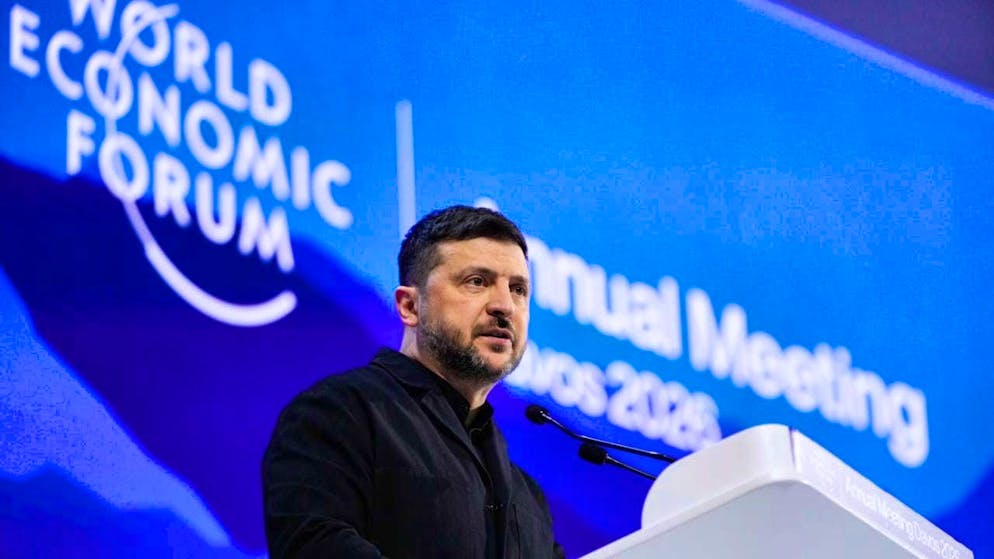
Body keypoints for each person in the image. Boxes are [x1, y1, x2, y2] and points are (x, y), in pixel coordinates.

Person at [262, 205, 564, 558]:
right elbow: (316, 544)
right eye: (477, 282)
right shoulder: (339, 414)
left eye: (518, 289)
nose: (504, 306)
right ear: (409, 306)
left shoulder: (529, 500)